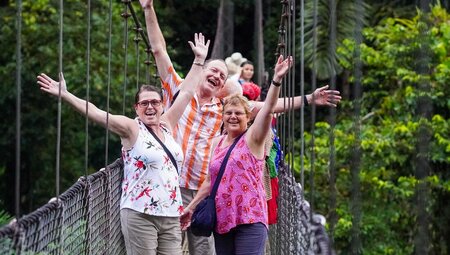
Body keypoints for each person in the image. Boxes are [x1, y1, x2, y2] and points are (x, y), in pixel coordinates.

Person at [139, 1, 341, 254]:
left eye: (222, 76)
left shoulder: (225, 109)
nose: (217, 76)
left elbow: (270, 106)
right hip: (168, 184)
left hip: (204, 189)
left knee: (203, 251)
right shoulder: (178, 90)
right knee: (162, 247)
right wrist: (148, 8)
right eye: (213, 70)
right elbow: (159, 50)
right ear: (201, 71)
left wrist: (309, 99)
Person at [37, 33, 210, 255]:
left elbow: (186, 93)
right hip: (140, 213)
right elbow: (97, 113)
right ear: (136, 107)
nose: (150, 107)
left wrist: (198, 61)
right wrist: (66, 95)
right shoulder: (131, 128)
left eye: (155, 102)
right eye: (144, 103)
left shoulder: (167, 124)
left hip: (170, 213)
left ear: (162, 105)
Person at [180, 55, 293, 255]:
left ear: (248, 117)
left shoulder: (253, 138)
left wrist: (276, 80)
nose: (233, 117)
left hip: (250, 218)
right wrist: (191, 207)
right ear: (222, 117)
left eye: (238, 113)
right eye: (228, 113)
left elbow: (267, 110)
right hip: (223, 219)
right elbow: (209, 181)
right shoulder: (217, 142)